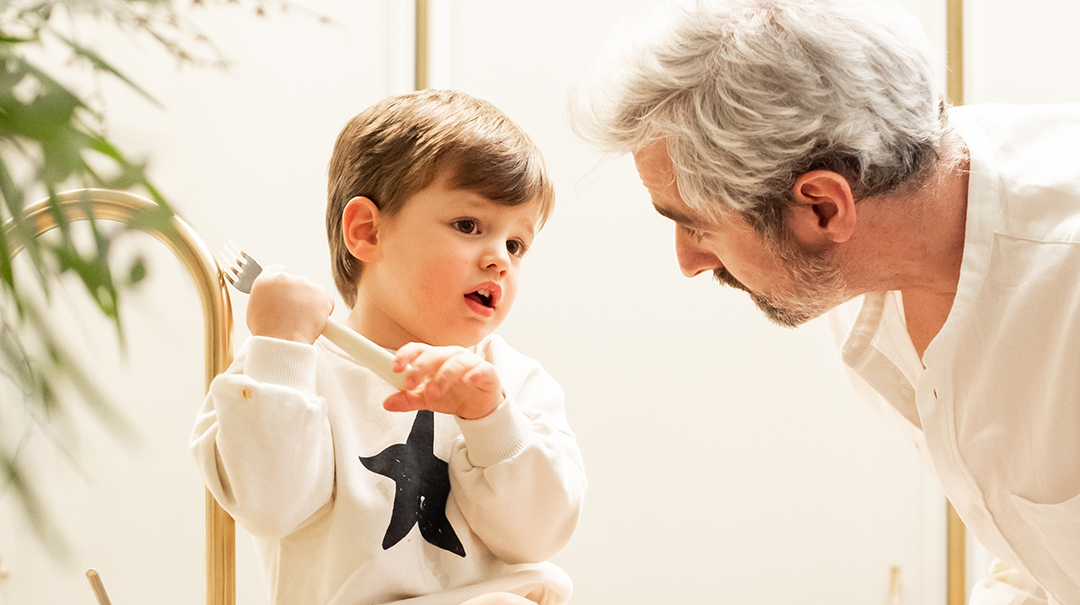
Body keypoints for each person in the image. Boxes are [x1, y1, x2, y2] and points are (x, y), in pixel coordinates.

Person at [569, 0, 1080, 603]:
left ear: (822, 207)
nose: (688, 260)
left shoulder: (1062, 282)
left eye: (696, 225)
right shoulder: (869, 248)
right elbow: (1044, 555)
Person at [191, 89, 586, 605]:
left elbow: (538, 534)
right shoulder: (290, 369)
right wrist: (279, 344)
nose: (499, 260)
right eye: (469, 226)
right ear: (367, 232)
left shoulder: (516, 384)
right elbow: (269, 504)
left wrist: (490, 418)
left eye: (516, 244)